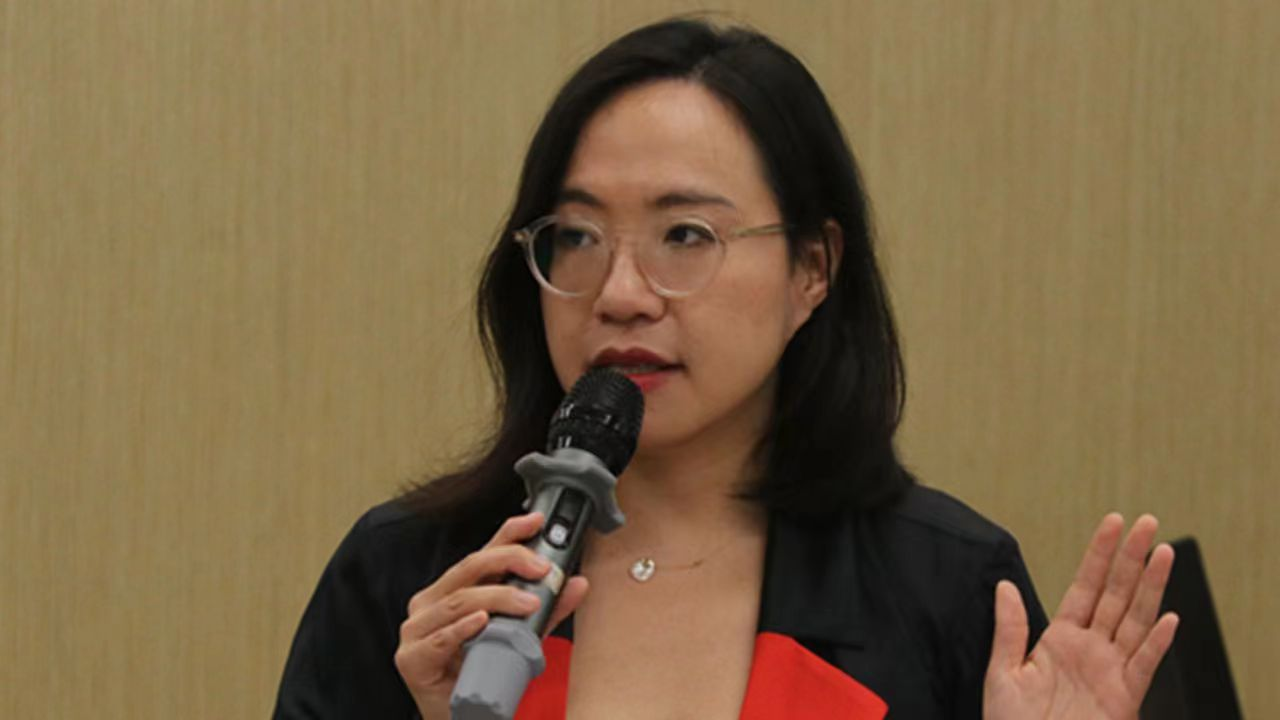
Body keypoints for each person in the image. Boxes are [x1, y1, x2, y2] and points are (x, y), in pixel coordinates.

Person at [274, 17, 1177, 719]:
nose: (620, 293)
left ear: (812, 269)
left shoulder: (943, 585)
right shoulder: (412, 579)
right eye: (578, 236)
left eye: (685, 235)